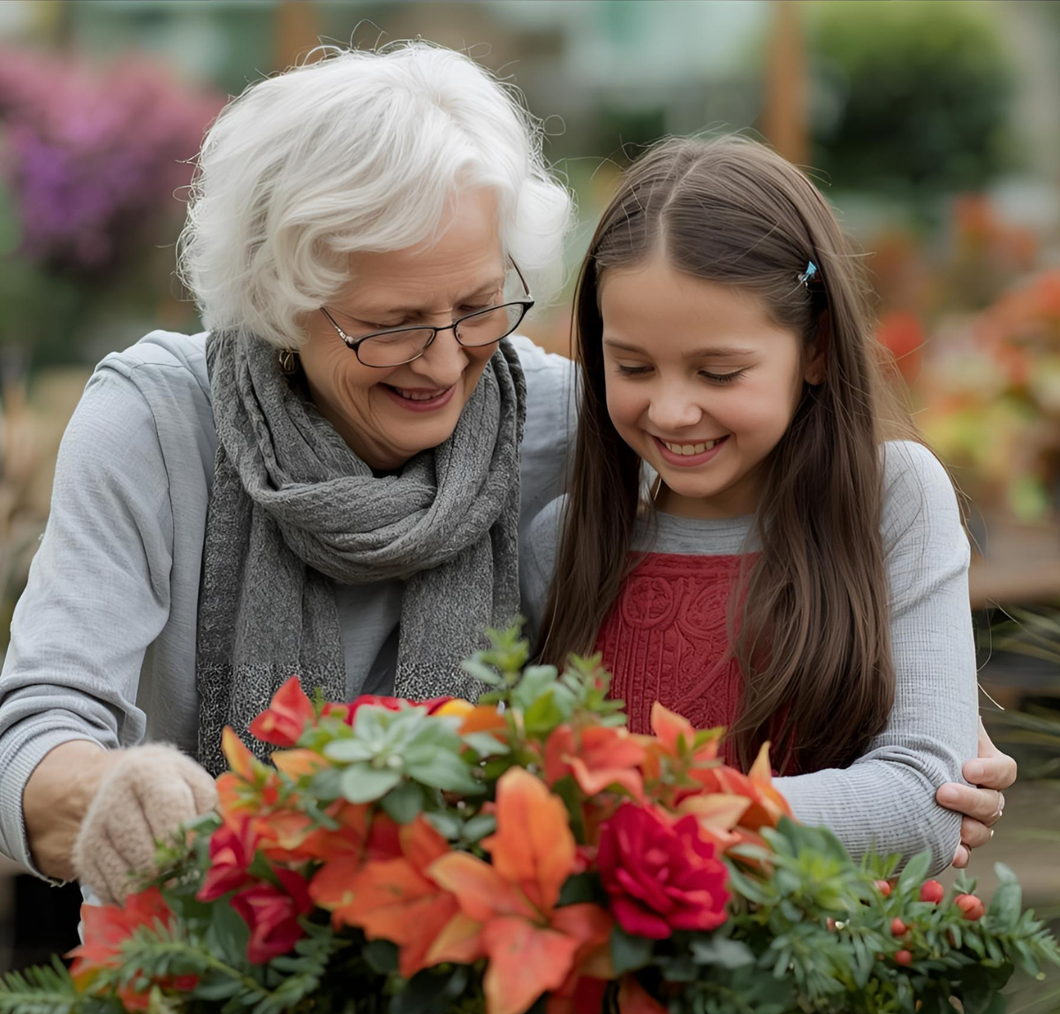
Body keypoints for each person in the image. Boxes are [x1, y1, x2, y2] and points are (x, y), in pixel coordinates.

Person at [0, 49, 1008, 907]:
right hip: (207, 982)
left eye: (481, 307)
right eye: (390, 323)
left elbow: (779, 478)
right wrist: (113, 796)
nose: (443, 362)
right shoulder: (158, 420)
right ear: (275, 297)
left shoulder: (575, 424)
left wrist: (924, 747)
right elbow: (36, 731)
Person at [523, 135, 1005, 873]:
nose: (673, 410)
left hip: (826, 977)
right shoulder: (564, 543)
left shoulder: (890, 500)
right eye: (632, 366)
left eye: (718, 372)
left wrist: (642, 814)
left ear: (815, 350)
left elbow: (921, 806)